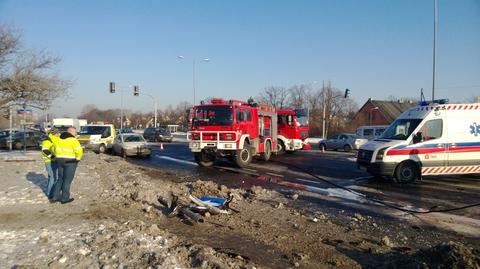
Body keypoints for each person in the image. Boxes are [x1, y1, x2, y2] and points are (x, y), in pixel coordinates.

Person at [51, 127, 83, 204]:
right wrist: (78, 159)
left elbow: (52, 149)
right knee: (67, 181)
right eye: (75, 132)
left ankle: (55, 197)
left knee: (60, 179)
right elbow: (79, 151)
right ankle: (65, 198)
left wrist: (57, 156)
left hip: (59, 161)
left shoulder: (58, 139)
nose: (76, 134)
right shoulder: (73, 140)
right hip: (70, 162)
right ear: (71, 132)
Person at [41, 130, 59, 199]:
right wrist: (53, 158)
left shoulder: (55, 140)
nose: (59, 134)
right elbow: (45, 150)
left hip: (54, 161)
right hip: (49, 161)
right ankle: (50, 194)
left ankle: (51, 192)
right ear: (54, 134)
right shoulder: (47, 141)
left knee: (52, 177)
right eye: (58, 133)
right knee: (52, 177)